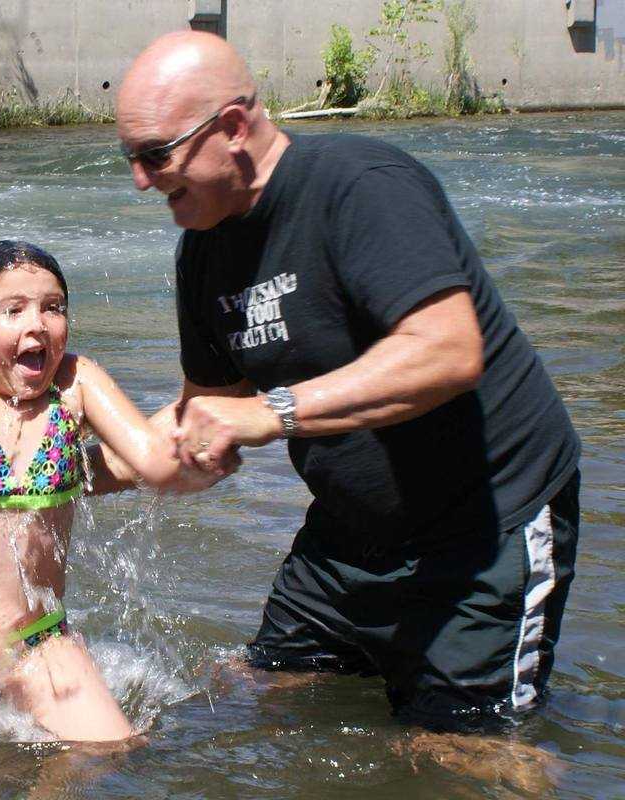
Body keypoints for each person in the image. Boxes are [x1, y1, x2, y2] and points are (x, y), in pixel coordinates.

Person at [116, 31, 581, 725]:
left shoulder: (360, 188)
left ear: (234, 128)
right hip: (348, 537)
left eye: (156, 155)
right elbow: (204, 416)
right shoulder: (203, 250)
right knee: (253, 695)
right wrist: (50, 471)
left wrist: (273, 412)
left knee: (460, 761)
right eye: (130, 159)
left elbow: (448, 352)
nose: (141, 181)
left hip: (484, 531)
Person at [0, 240, 234, 741]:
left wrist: (210, 435)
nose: (37, 324)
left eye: (53, 307)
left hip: (41, 640)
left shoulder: (77, 384)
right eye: (13, 310)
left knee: (110, 752)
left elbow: (147, 456)